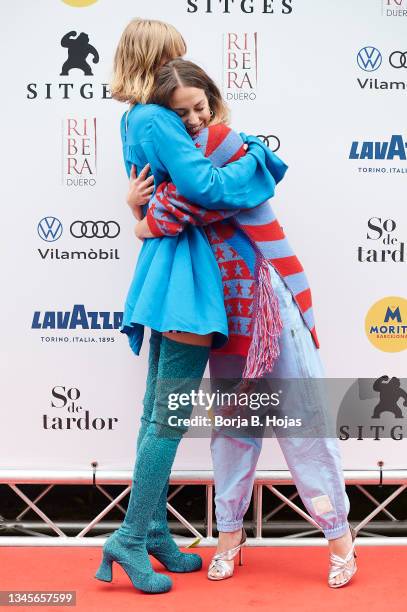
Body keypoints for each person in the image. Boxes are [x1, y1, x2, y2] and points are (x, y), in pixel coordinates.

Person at [130, 58, 358, 589]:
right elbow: (175, 203)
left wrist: (142, 219)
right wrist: (143, 207)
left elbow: (185, 206)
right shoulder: (184, 169)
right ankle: (229, 535)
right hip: (228, 315)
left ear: (213, 102)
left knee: (303, 424)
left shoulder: (227, 145)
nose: (192, 121)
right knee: (234, 428)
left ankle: (339, 535)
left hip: (272, 303)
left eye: (199, 108)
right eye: (179, 116)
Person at [95, 18, 280, 595]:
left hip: (166, 272)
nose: (182, 64)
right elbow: (205, 186)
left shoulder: (134, 117)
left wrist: (139, 216)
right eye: (174, 54)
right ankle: (128, 537)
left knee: (157, 412)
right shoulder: (155, 116)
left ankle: (151, 530)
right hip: (187, 283)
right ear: (157, 58)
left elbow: (158, 197)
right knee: (168, 419)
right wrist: (256, 156)